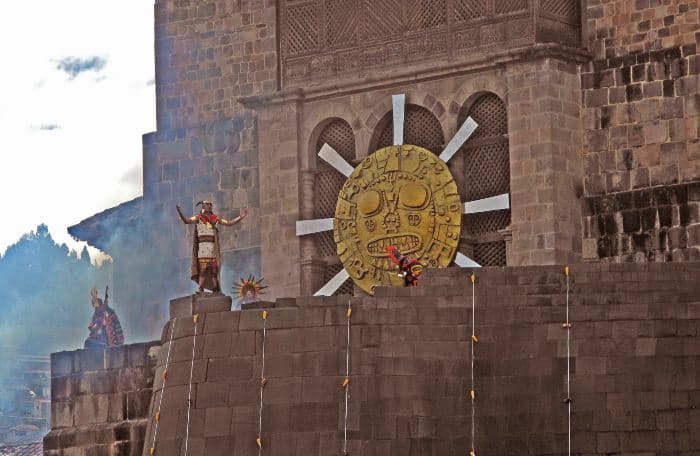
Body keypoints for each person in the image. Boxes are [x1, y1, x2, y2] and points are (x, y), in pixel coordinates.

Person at [176, 201, 247, 293]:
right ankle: (200, 288)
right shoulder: (198, 218)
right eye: (207, 205)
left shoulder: (215, 218)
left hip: (213, 249)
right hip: (203, 249)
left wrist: (240, 217)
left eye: (210, 205)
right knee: (203, 270)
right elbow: (186, 221)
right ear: (203, 207)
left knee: (214, 270)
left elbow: (229, 223)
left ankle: (215, 289)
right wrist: (180, 213)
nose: (209, 206)